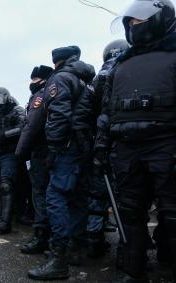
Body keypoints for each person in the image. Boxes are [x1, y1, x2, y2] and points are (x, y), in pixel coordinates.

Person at [96, 1, 176, 281]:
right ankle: (133, 270)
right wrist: (101, 145)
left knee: (172, 214)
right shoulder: (121, 63)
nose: (132, 26)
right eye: (129, 23)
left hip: (167, 146)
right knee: (129, 213)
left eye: (138, 21)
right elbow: (107, 110)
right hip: (128, 148)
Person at [28, 46, 96, 280]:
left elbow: (59, 114)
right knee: (78, 198)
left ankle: (59, 259)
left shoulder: (61, 78)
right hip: (84, 146)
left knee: (55, 197)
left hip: (66, 147)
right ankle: (75, 250)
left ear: (57, 62)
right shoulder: (88, 81)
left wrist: (54, 148)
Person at [86, 39, 130, 259]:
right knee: (128, 199)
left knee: (97, 196)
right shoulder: (129, 70)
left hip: (100, 141)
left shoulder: (97, 79)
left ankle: (94, 240)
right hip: (126, 142)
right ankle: (132, 249)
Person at [16, 65, 54, 254]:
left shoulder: (41, 95)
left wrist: (20, 152)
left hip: (41, 151)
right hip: (49, 150)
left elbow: (31, 126)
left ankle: (42, 237)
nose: (32, 84)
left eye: (35, 80)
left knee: (40, 194)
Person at [0, 88, 25, 233]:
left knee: (6, 185)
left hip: (9, 153)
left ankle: (5, 221)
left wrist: (5, 136)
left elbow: (22, 127)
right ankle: (1, 217)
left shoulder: (17, 110)